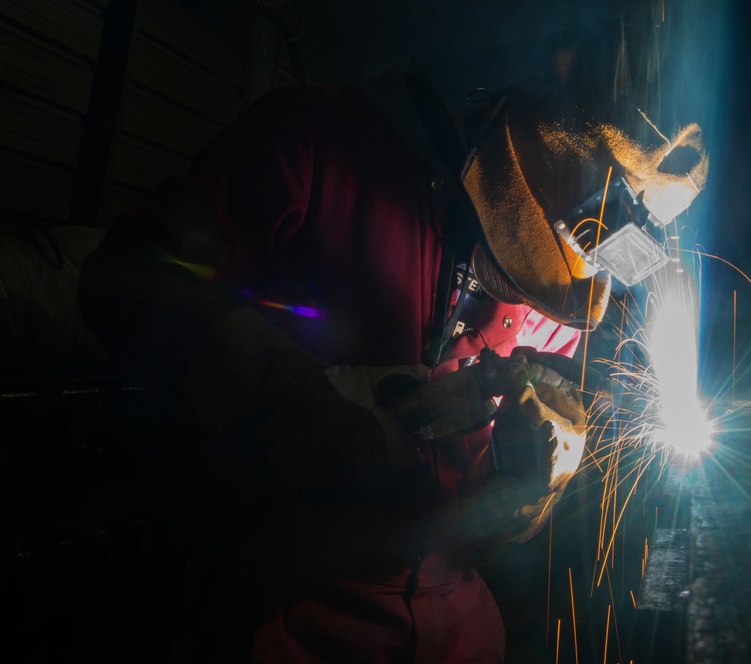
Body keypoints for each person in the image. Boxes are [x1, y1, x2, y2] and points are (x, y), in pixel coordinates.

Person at [78, 58, 707, 662]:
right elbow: (126, 278)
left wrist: (521, 492)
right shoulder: (319, 143)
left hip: (460, 633)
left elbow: (481, 521)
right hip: (282, 614)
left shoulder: (567, 302)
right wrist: (288, 393)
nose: (539, 298)